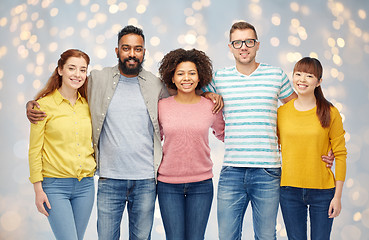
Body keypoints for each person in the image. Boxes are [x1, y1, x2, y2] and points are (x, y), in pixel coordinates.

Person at [202, 21, 334, 239]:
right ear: (230, 47)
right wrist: (209, 94)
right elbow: (194, 95)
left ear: (257, 45)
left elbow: (301, 111)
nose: (243, 47)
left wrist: (325, 146)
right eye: (237, 42)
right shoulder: (219, 78)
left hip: (268, 171)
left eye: (249, 41)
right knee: (226, 235)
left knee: (265, 236)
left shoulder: (276, 76)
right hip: (232, 170)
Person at [28, 49, 96, 240]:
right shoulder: (42, 106)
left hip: (86, 186)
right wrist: (38, 189)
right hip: (55, 187)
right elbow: (34, 150)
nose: (77, 74)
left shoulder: (89, 105)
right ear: (60, 70)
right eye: (72, 68)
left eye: (83, 70)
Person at [157, 48, 225, 240]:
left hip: (201, 185)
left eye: (191, 73)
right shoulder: (161, 106)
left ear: (199, 76)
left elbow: (224, 134)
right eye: (180, 73)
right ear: (172, 77)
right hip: (168, 184)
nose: (186, 78)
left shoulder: (211, 106)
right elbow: (154, 139)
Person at [277, 57, 347, 239]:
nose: (302, 80)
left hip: (323, 192)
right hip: (289, 190)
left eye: (309, 76)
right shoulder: (281, 113)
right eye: (298, 74)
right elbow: (272, 145)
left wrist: (337, 197)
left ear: (319, 82)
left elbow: (340, 155)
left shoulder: (331, 112)